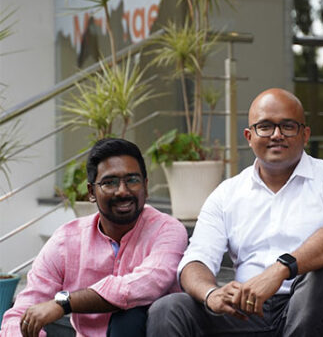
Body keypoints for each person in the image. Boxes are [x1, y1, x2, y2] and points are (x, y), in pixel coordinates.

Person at [146, 88, 323, 337]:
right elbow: (196, 260)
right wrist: (212, 294)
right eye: (265, 127)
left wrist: (280, 270)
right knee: (168, 309)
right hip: (248, 312)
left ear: (305, 134)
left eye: (288, 126)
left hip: (315, 307)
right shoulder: (227, 194)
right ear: (249, 136)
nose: (277, 135)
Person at [0, 138, 189, 337]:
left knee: (131, 316)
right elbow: (21, 313)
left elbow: (147, 284)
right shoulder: (66, 241)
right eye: (109, 183)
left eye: (132, 180)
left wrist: (65, 303)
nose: (122, 191)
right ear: (91, 192)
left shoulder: (167, 230)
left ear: (146, 186)